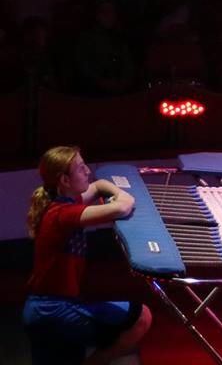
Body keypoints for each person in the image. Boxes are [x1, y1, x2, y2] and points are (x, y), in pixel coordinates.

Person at [22, 146, 152, 364]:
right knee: (142, 317)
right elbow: (122, 208)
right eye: (81, 169)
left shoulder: (64, 202)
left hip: (41, 312)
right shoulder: (64, 214)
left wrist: (113, 193)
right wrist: (121, 195)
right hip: (56, 312)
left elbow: (100, 185)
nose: (88, 172)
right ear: (65, 180)